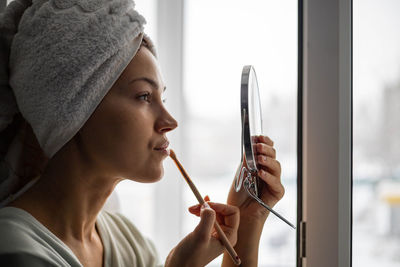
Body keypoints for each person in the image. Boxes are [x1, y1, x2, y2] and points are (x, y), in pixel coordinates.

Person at [0, 0, 285, 266]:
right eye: (144, 96)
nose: (170, 121)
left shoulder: (129, 242)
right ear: (73, 109)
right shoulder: (16, 250)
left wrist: (249, 220)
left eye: (164, 98)